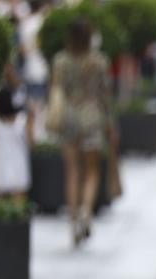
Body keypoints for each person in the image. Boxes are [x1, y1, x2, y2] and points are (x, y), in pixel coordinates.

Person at [49, 18, 115, 246]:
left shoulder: (60, 61)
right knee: (92, 170)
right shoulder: (99, 61)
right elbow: (105, 94)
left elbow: (56, 89)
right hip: (92, 116)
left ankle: (73, 221)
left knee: (72, 171)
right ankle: (86, 210)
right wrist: (110, 123)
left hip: (68, 117)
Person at [0, 87, 32, 202]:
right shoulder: (22, 120)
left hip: (0, 164)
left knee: (0, 199)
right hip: (19, 164)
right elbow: (32, 143)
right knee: (19, 198)